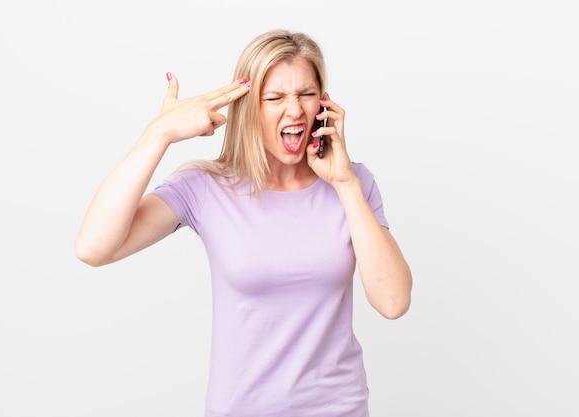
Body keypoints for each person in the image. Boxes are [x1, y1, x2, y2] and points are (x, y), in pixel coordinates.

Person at [75, 29, 412, 417]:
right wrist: (160, 133)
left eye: (306, 94)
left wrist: (345, 183)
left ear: (324, 102)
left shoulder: (354, 182)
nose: (295, 109)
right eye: (275, 98)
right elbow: (92, 248)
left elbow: (393, 302)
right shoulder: (206, 187)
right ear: (249, 106)